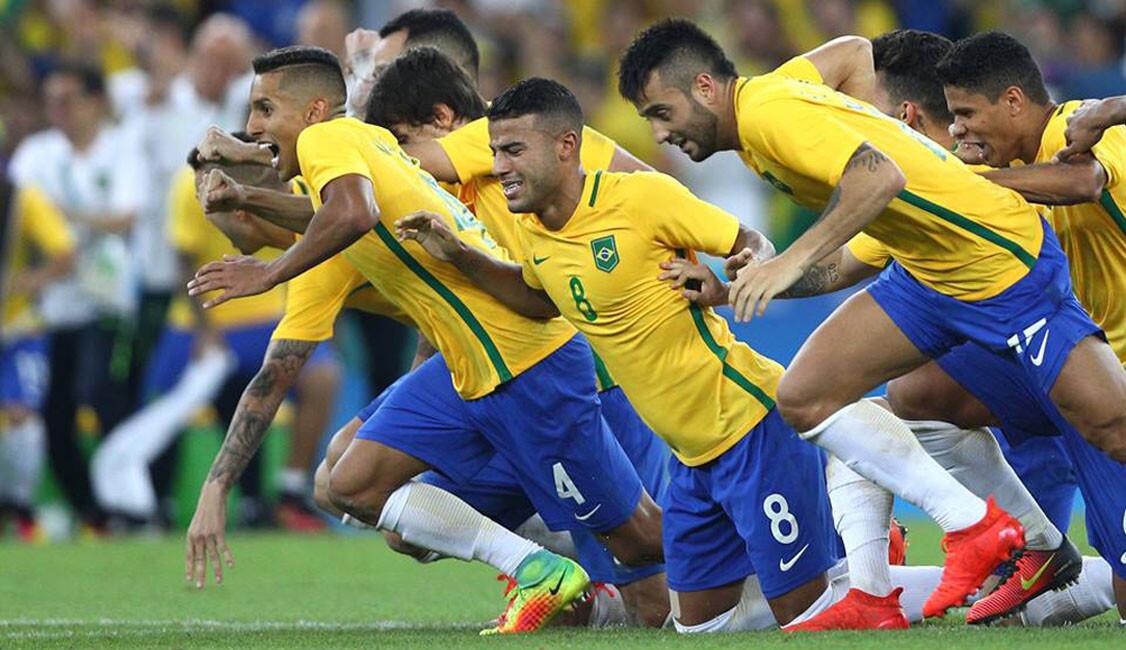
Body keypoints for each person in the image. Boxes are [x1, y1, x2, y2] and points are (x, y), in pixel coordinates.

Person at [615, 17, 1123, 621]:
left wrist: (785, 261)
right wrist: (730, 289)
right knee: (812, 396)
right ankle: (966, 542)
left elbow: (878, 176)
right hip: (931, 277)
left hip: (1000, 270)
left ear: (703, 88)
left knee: (1111, 427)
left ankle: (1033, 552)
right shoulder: (782, 94)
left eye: (660, 112)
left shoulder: (771, 116)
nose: (659, 132)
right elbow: (856, 53)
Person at [184, 46, 664, 635]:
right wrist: (249, 184)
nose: (255, 125)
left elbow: (351, 211)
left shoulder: (328, 143)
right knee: (351, 482)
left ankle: (764, 527)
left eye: (263, 109)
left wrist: (267, 272)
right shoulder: (366, 150)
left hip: (528, 358)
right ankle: (536, 566)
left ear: (313, 111)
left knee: (643, 552)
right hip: (471, 369)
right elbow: (335, 208)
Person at [396, 77, 847, 633]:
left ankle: (878, 568)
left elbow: (752, 242)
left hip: (750, 425)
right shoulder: (534, 231)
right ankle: (856, 569)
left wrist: (731, 281)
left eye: (513, 150)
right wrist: (460, 256)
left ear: (566, 146)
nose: (500, 166)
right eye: (493, 152)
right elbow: (537, 300)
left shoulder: (640, 199)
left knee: (809, 619)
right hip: (692, 457)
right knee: (697, 627)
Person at [924, 30, 1126, 624]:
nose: (957, 129)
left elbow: (1083, 182)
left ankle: (1089, 576)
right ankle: (1042, 544)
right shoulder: (1005, 172)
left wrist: (967, 185)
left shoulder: (1086, 128)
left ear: (1014, 101)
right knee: (914, 390)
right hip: (1071, 365)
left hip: (1111, 383)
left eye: (965, 113)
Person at [8, 61, 144, 533]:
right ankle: (92, 509)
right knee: (54, 413)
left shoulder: (120, 150)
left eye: (68, 100)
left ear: (95, 101)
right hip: (48, 306)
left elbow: (127, 216)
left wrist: (66, 214)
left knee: (100, 394)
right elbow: (15, 210)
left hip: (104, 300)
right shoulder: (36, 153)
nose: (58, 111)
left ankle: (126, 500)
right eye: (51, 102)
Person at [0, 181, 75, 542]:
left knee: (24, 423)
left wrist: (27, 281)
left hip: (18, 331)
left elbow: (65, 254)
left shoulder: (22, 199)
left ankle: (20, 508)